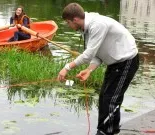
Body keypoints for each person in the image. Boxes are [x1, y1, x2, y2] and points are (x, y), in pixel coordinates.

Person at [57, 3, 139, 135]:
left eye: (68, 22)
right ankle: (104, 130)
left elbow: (88, 55)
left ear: (75, 19)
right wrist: (89, 70)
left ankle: (107, 132)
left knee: (111, 98)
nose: (68, 26)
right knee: (103, 97)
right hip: (115, 63)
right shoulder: (86, 28)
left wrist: (66, 68)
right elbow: (97, 54)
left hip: (126, 61)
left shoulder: (97, 24)